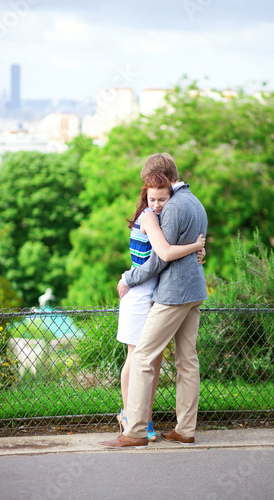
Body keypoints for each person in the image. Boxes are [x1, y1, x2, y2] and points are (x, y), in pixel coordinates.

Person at [99, 153, 208, 449]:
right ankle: (185, 430)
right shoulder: (195, 201)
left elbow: (160, 258)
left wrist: (129, 278)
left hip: (173, 293)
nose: (153, 196)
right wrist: (199, 251)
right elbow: (196, 243)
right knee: (187, 361)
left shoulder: (172, 206)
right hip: (195, 289)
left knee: (143, 357)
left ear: (159, 178)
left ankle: (134, 431)